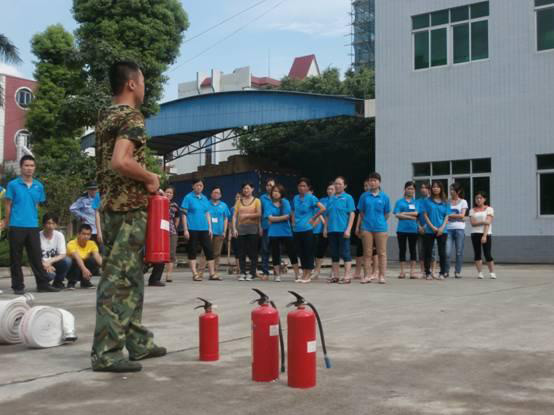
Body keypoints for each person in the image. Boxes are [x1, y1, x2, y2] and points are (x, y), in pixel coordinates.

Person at [91, 61, 166, 373]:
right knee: (118, 279)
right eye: (143, 81)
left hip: (111, 207)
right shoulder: (132, 117)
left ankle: (137, 341)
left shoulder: (105, 116)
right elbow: (121, 161)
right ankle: (106, 352)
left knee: (131, 277)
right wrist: (150, 178)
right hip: (128, 208)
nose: (145, 87)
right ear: (132, 84)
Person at [4, 155, 59, 294]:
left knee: (35, 255)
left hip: (32, 226)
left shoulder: (38, 186)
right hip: (16, 225)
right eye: (26, 165)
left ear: (34, 168)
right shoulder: (13, 184)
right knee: (15, 257)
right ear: (21, 167)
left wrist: (35, 219)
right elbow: (8, 205)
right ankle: (18, 286)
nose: (29, 168)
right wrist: (7, 222)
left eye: (32, 166)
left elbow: (36, 205)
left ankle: (42, 284)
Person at [357, 172, 391, 284]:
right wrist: (367, 221)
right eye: (370, 180)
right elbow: (361, 212)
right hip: (367, 227)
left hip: (381, 228)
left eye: (375, 180)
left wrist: (379, 221)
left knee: (382, 253)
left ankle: (382, 276)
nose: (372, 182)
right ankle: (367, 275)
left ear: (379, 182)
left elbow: (387, 213)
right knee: (367, 253)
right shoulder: (364, 196)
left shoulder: (385, 197)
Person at [291, 177, 325, 283]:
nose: (302, 188)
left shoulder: (311, 198)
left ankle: (308, 274)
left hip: (307, 228)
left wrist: (313, 218)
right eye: (300, 186)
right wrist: (293, 222)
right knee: (301, 252)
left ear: (308, 187)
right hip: (297, 229)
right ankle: (304, 273)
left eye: (304, 186)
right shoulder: (295, 198)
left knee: (308, 252)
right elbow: (293, 211)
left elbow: (323, 208)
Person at [181, 179, 216, 281]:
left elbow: (207, 213)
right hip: (192, 228)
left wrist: (210, 228)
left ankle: (212, 273)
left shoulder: (205, 198)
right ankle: (195, 273)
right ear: (193, 186)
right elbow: (183, 214)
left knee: (209, 250)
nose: (199, 187)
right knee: (192, 250)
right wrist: (185, 229)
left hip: (204, 228)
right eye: (197, 185)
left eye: (201, 185)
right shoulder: (188, 197)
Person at [146, 186, 180, 287]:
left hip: (167, 232)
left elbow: (177, 218)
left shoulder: (172, 204)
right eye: (167, 192)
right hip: (154, 232)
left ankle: (156, 279)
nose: (169, 194)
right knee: (153, 254)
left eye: (171, 193)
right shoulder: (154, 200)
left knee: (164, 255)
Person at [265, 184, 300, 282]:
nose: (276, 193)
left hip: (286, 231)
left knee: (292, 253)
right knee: (275, 254)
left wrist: (274, 219)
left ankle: (297, 274)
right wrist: (281, 218)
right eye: (274, 191)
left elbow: (287, 216)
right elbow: (270, 218)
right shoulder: (268, 204)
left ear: (281, 193)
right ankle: (277, 275)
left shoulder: (285, 202)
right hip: (273, 232)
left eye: (278, 191)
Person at [324, 176, 355, 283]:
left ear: (345, 186)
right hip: (332, 230)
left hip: (343, 230)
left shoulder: (348, 197)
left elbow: (352, 214)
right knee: (334, 254)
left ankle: (347, 276)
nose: (337, 186)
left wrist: (348, 229)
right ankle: (335, 276)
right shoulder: (331, 198)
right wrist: (325, 228)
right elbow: (327, 215)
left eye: (339, 184)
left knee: (345, 253)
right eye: (336, 183)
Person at [198, 187, 230, 279]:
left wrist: (224, 231)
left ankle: (214, 272)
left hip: (219, 232)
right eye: (214, 192)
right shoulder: (206, 204)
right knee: (205, 252)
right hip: (207, 232)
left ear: (220, 195)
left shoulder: (224, 205)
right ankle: (200, 272)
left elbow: (226, 219)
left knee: (217, 253)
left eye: (218, 193)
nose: (216, 194)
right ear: (211, 194)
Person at [232, 182, 261, 281]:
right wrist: (234, 228)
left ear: (252, 189)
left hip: (253, 229)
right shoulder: (239, 201)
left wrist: (247, 216)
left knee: (253, 252)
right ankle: (242, 272)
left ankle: (252, 273)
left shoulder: (257, 201)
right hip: (241, 229)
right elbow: (234, 216)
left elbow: (259, 214)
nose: (246, 190)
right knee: (241, 252)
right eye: (244, 188)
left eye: (248, 188)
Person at [422, 181, 451, 280]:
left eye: (438, 187)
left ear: (441, 189)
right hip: (430, 230)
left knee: (442, 252)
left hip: (442, 231)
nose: (435, 188)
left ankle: (442, 273)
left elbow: (447, 216)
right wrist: (432, 227)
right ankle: (427, 273)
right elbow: (425, 215)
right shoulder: (427, 201)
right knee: (428, 252)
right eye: (434, 187)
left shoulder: (446, 202)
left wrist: (442, 228)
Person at [393, 181, 419, 279]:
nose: (410, 190)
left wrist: (403, 214)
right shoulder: (399, 202)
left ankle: (412, 272)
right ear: (405, 189)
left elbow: (416, 214)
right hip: (402, 230)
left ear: (414, 190)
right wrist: (410, 216)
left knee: (413, 250)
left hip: (413, 229)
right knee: (402, 250)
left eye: (412, 188)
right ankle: (402, 272)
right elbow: (397, 214)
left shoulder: (416, 202)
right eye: (408, 188)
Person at [40, 213, 71, 289]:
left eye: (53, 223)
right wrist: (44, 264)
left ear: (56, 225)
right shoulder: (37, 236)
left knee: (67, 261)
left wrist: (49, 262)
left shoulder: (59, 235)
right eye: (48, 223)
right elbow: (34, 255)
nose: (50, 226)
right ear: (44, 224)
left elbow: (62, 254)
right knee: (50, 275)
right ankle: (42, 284)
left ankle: (58, 282)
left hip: (52, 262)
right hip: (41, 264)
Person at [469, 192, 496, 280]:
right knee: (477, 254)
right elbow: (473, 223)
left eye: (480, 198)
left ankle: (492, 272)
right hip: (475, 234)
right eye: (477, 198)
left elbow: (488, 223)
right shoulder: (472, 210)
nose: (478, 200)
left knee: (487, 254)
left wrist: (484, 236)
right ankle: (480, 273)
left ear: (484, 199)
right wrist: (483, 221)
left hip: (486, 233)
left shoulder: (489, 209)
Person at [66, 224, 102, 289]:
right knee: (74, 261)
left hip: (84, 269)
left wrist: (106, 269)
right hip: (74, 269)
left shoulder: (92, 243)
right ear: (78, 234)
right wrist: (84, 269)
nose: (86, 236)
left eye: (88, 234)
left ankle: (85, 282)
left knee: (93, 260)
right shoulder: (71, 243)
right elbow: (77, 257)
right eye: (84, 234)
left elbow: (97, 257)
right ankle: (71, 282)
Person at [446, 183, 468, 278]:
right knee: (447, 252)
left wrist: (449, 215)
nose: (451, 192)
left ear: (458, 191)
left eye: (453, 190)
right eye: (450, 189)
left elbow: (462, 215)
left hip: (459, 229)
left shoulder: (463, 202)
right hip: (448, 229)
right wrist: (457, 216)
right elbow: (444, 215)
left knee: (459, 252)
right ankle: (446, 271)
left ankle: (457, 272)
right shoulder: (447, 202)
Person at [312, 183, 334, 280]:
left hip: (334, 228)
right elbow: (319, 212)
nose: (330, 191)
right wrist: (323, 221)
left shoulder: (338, 200)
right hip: (323, 229)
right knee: (320, 251)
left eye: (332, 189)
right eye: (328, 189)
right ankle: (317, 271)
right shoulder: (322, 200)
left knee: (334, 251)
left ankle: (334, 271)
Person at [417, 183, 436, 277]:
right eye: (421, 187)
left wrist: (425, 226)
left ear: (429, 189)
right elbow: (415, 216)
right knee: (421, 251)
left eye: (425, 188)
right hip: (420, 229)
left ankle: (433, 271)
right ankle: (422, 271)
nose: (423, 189)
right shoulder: (418, 201)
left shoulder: (432, 201)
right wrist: (419, 226)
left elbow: (433, 216)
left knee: (432, 251)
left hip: (430, 229)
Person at [259, 178, 275, 279]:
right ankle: (265, 272)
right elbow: (260, 213)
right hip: (265, 227)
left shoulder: (278, 197)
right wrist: (260, 226)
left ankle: (277, 272)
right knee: (264, 249)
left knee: (275, 250)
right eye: (268, 185)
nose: (270, 187)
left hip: (276, 227)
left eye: (272, 185)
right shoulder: (262, 198)